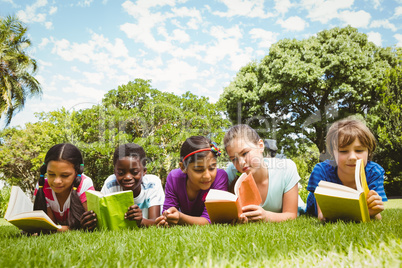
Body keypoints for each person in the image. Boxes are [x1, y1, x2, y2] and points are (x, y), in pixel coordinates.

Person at [306, 117, 387, 220]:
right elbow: (322, 216)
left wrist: (373, 212)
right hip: (313, 209)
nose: (352, 157)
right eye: (343, 151)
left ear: (369, 151)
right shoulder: (321, 171)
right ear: (332, 152)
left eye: (359, 150)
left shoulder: (374, 172)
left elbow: (377, 216)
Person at [224, 124, 302, 223]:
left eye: (244, 153)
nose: (241, 163)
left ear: (260, 146)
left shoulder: (286, 168)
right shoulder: (231, 172)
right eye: (234, 159)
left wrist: (266, 216)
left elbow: (291, 215)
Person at [81, 143, 165, 229]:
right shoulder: (111, 184)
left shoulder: (152, 184)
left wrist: (141, 221)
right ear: (115, 172)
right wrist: (91, 221)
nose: (127, 177)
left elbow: (156, 222)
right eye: (121, 173)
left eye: (135, 172)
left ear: (144, 171)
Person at [155, 136, 228, 226]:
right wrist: (167, 218)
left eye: (212, 168)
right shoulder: (174, 178)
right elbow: (168, 211)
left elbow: (210, 220)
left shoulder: (220, 177)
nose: (207, 176)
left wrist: (180, 218)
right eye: (198, 170)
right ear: (183, 167)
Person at [34, 143, 95, 231]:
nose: (57, 181)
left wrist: (55, 229)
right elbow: (49, 226)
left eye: (65, 175)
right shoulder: (42, 186)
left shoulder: (84, 184)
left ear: (77, 172)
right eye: (51, 174)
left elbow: (88, 224)